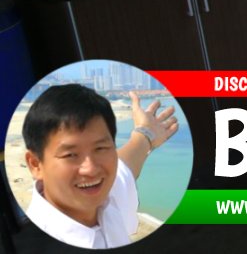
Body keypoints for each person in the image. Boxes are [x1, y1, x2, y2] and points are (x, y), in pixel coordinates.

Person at [21, 84, 179, 249]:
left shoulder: (106, 197)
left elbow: (126, 165)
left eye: (100, 148)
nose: (91, 169)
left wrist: (146, 133)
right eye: (70, 155)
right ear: (35, 164)